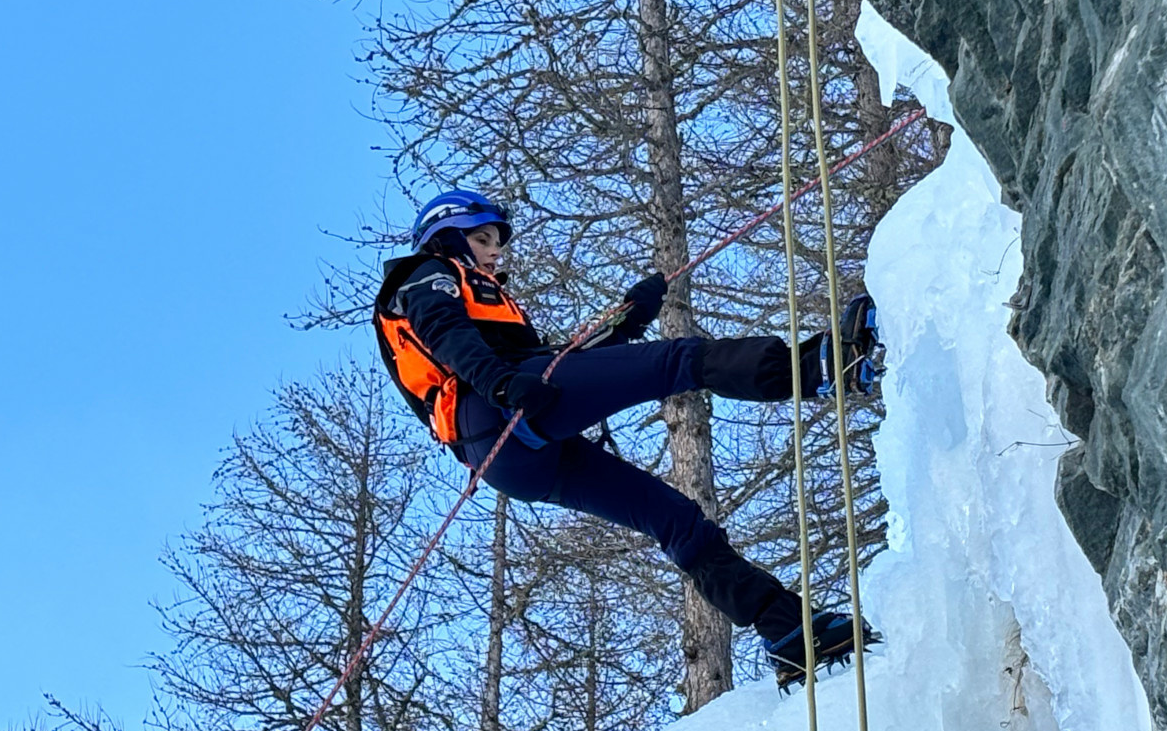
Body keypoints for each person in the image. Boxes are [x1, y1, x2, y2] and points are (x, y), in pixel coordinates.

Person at [372, 189, 878, 685]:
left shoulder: (485, 302)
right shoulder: (426, 275)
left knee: (673, 518)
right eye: (482, 239)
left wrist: (627, 319)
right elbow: (446, 333)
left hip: (515, 450)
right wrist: (502, 385)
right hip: (494, 414)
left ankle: (786, 629)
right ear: (447, 236)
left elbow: (561, 362)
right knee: (678, 360)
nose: (495, 251)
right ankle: (819, 369)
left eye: (496, 242)